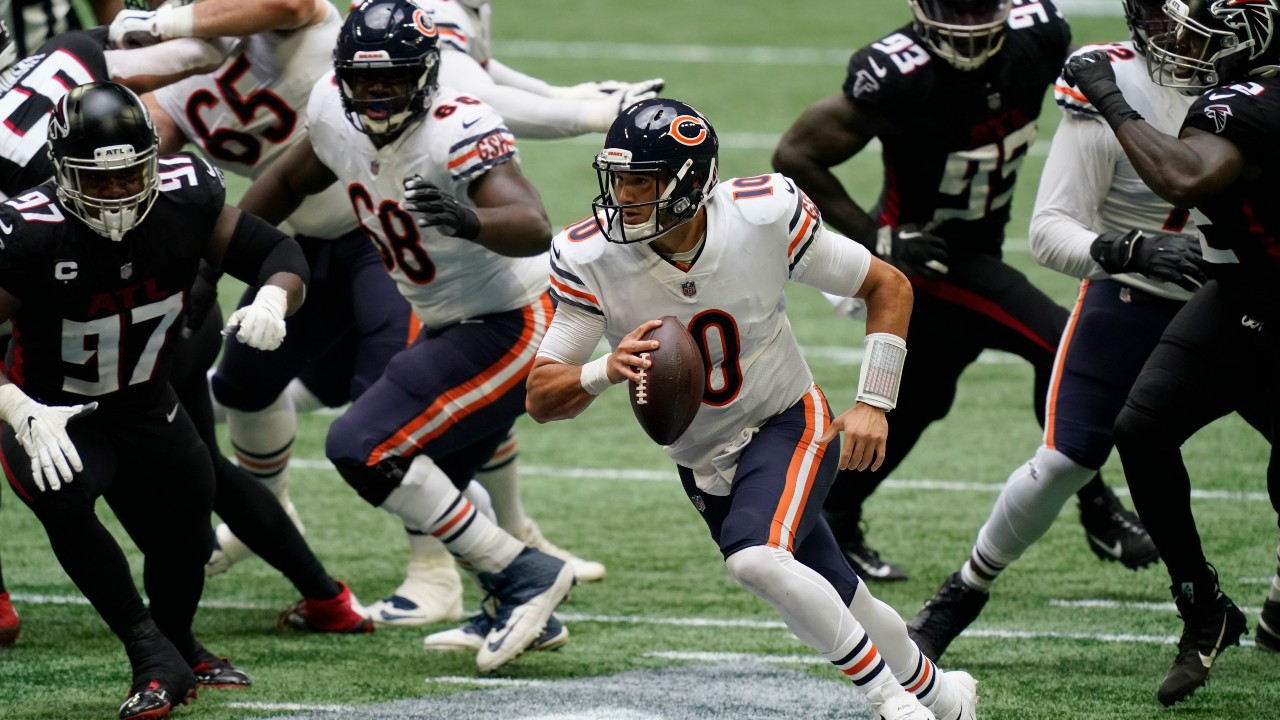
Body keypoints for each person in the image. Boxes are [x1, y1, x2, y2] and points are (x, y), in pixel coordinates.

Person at [525, 96, 976, 720]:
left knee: (756, 558)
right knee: (841, 595)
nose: (623, 194)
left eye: (642, 180)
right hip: (701, 455)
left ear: (690, 184)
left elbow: (886, 286)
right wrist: (605, 367)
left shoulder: (762, 216)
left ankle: (890, 702)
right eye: (618, 177)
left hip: (786, 418)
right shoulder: (588, 257)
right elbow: (543, 398)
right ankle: (946, 697)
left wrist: (874, 400)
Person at [236, 0, 573, 673]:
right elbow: (283, 181)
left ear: (425, 74)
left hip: (517, 315)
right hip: (455, 316)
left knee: (360, 445)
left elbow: (532, 223)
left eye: (393, 77)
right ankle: (519, 604)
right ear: (343, 77)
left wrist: (470, 220)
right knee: (436, 473)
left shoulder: (457, 122)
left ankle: (526, 575)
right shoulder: (336, 109)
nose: (378, 92)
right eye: (365, 79)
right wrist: (218, 248)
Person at [902, 0, 1243, 663]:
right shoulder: (1115, 83)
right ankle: (964, 590)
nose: (1185, 39)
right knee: (1064, 457)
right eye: (1173, 21)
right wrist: (1132, 251)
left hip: (1237, 298)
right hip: (1134, 295)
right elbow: (1051, 231)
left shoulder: (1256, 79)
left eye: (1198, 21)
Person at [771, 0, 1155, 583]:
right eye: (954, 5)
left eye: (979, 5)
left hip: (981, 246)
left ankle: (831, 515)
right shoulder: (899, 72)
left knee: (923, 396)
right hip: (928, 258)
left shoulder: (1041, 36)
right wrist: (878, 235)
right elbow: (795, 155)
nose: (968, 21)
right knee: (1058, 343)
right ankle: (1098, 508)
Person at [0, 81, 307, 718]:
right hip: (53, 413)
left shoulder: (185, 198)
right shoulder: (28, 234)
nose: (116, 193)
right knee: (66, 494)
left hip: (145, 398)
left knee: (187, 530)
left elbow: (276, 251)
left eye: (129, 175)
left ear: (151, 161)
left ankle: (179, 643)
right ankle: (149, 653)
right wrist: (17, 409)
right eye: (98, 180)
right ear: (62, 172)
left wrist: (275, 296)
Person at [1062, 0, 1280, 706]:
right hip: (1246, 291)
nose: (1186, 44)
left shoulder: (1250, 100)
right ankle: (1203, 606)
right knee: (1142, 427)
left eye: (1205, 34)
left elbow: (1183, 179)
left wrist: (1110, 99)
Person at [429, 0, 662, 138]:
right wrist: (596, 114)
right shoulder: (430, 11)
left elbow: (474, 64)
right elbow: (477, 102)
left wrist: (553, 94)